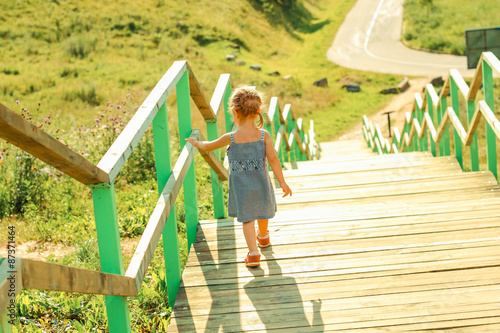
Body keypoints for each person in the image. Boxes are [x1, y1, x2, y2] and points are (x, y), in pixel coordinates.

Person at [185, 87, 292, 267]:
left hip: (242, 188)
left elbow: (210, 146)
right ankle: (264, 237)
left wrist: (197, 143)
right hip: (261, 184)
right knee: (262, 211)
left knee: (248, 219)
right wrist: (282, 182)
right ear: (258, 111)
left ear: (235, 113)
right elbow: (273, 158)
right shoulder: (264, 135)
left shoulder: (231, 137)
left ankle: (253, 254)